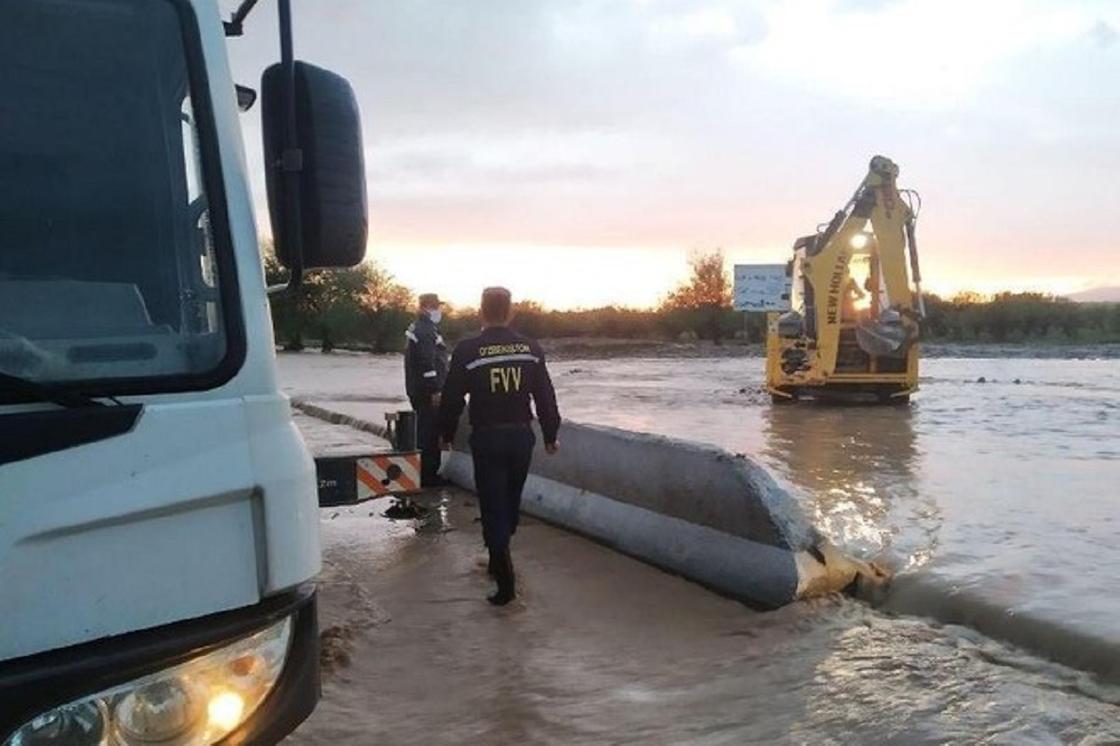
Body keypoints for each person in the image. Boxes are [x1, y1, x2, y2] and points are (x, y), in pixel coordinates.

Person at [438, 287, 561, 606]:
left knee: (493, 505)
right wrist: (551, 433)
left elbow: (452, 398)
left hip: (488, 438)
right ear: (511, 312)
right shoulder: (530, 349)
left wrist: (446, 432)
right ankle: (498, 557)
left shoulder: (468, 350)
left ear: (481, 311)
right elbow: (545, 396)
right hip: (522, 438)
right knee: (509, 502)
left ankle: (504, 578)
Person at [404, 293, 449, 487]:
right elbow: (427, 363)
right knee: (429, 433)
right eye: (434, 306)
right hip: (426, 391)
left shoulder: (421, 327)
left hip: (418, 389)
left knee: (425, 430)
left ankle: (424, 473)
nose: (438, 310)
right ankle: (428, 476)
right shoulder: (425, 330)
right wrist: (435, 390)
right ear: (424, 308)